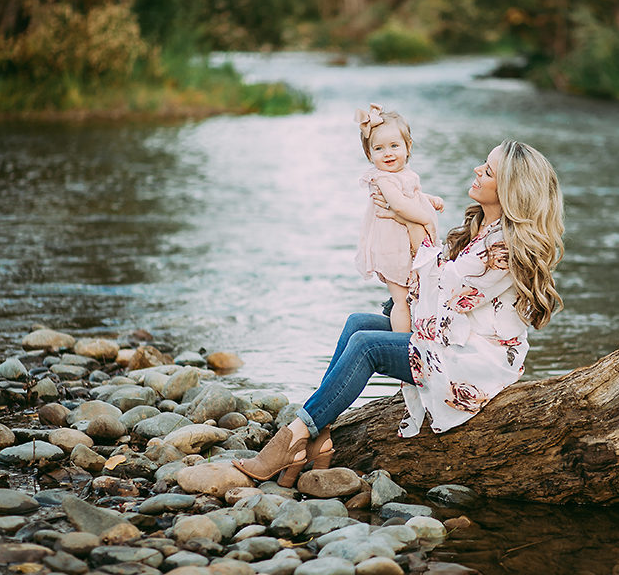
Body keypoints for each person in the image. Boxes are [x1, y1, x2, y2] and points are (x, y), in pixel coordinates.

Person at [233, 140, 564, 487]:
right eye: (483, 163)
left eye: (488, 170)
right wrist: (408, 218)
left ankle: (291, 438)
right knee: (358, 324)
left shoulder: (503, 246)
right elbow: (432, 290)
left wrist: (416, 223)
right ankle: (320, 438)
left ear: (509, 189)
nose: (477, 170)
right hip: (449, 336)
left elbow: (446, 293)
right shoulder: (481, 228)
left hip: (473, 358)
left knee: (367, 345)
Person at [354, 103, 443, 333]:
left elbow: (411, 196)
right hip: (391, 248)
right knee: (401, 299)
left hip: (405, 246)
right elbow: (400, 205)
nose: (388, 153)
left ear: (408, 147)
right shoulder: (383, 179)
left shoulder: (403, 175)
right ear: (369, 154)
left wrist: (427, 199)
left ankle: (417, 332)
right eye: (379, 149)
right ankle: (401, 342)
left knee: (413, 294)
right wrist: (426, 219)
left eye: (394, 146)